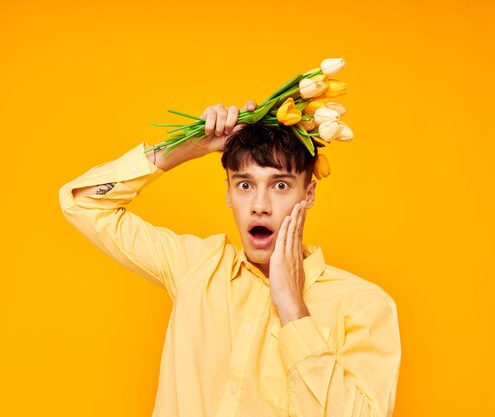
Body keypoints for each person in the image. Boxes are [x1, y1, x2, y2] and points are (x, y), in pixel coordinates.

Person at [58, 100, 402, 417]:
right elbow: (83, 204)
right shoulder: (196, 267)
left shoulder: (364, 305)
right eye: (244, 185)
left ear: (308, 194)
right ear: (228, 192)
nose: (260, 205)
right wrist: (183, 150)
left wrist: (293, 310)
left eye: (280, 186)